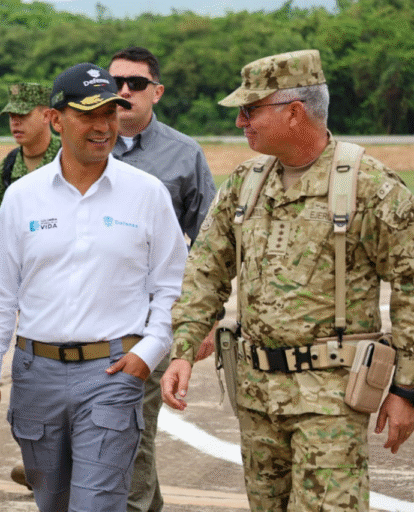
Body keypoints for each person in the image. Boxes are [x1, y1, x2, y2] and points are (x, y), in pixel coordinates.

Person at [161, 49, 414, 511]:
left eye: (250, 109)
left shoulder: (369, 185)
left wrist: (406, 389)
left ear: (295, 112)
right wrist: (184, 345)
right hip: (258, 397)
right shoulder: (246, 182)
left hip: (332, 402)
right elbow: (206, 268)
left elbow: (411, 285)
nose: (241, 122)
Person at [0, 62, 187, 512]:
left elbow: (171, 285)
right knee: (53, 503)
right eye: (88, 114)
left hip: (112, 375)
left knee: (97, 505)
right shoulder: (22, 196)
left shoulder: (146, 193)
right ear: (55, 118)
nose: (103, 126)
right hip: (37, 376)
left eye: (110, 114)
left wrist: (148, 354)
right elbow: (0, 296)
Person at [107, 46, 216, 512]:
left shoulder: (183, 154)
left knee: (132, 434)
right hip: (78, 318)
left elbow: (211, 244)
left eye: (135, 83)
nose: (124, 92)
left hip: (146, 322)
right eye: (115, 83)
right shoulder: (84, 143)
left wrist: (206, 318)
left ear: (157, 92)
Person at [0, 82, 61, 310]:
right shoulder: (10, 164)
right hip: (23, 274)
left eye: (23, 115)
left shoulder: (67, 157)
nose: (15, 122)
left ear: (47, 115)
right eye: (11, 116)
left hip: (61, 271)